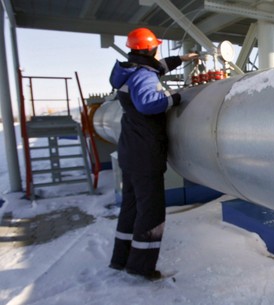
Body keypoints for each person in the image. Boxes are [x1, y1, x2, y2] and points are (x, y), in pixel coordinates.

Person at [108, 27, 198, 280]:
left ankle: (121, 258)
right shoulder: (143, 76)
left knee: (131, 207)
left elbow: (155, 68)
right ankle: (141, 266)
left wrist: (182, 59)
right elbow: (149, 104)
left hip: (129, 149)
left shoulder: (130, 70)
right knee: (151, 213)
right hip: (145, 153)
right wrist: (176, 98)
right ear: (150, 48)